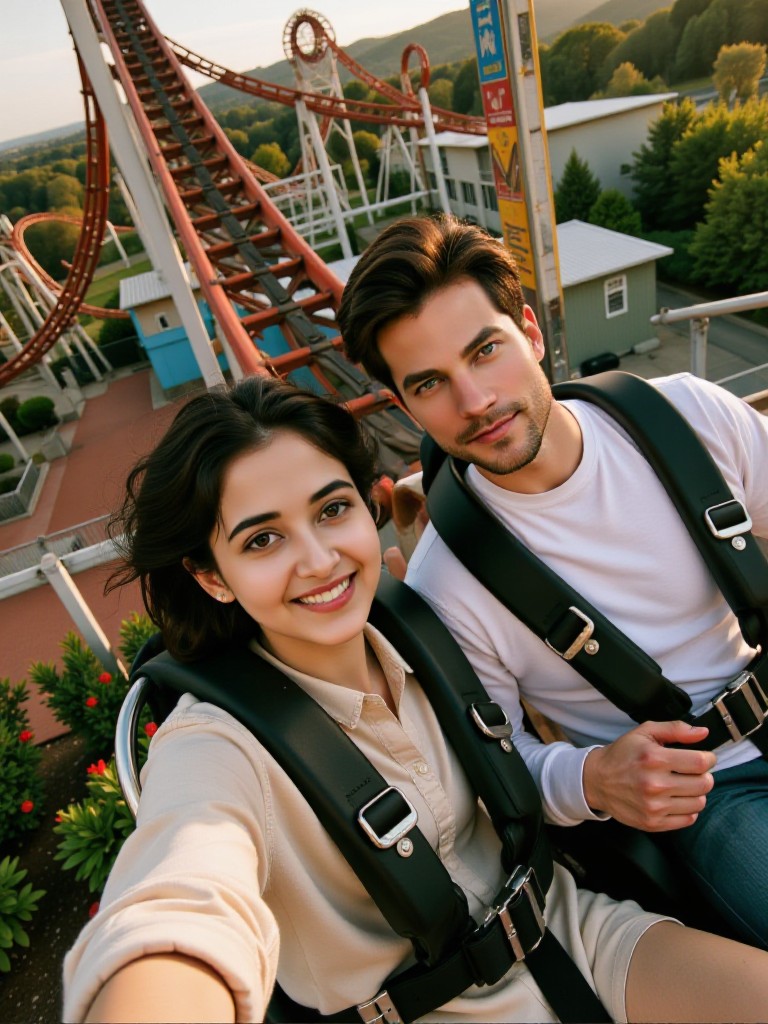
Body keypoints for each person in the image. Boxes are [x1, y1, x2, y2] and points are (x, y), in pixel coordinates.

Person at [61, 375, 768, 1023]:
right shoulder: (215, 745)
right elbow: (179, 898)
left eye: (333, 510)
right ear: (212, 577)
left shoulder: (427, 633)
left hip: (575, 934)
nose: (319, 559)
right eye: (264, 538)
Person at [337, 213, 768, 951]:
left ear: (530, 333)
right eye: (431, 383)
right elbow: (499, 773)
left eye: (485, 351)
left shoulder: (687, 416)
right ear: (405, 407)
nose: (474, 401)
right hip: (709, 791)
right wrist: (596, 778)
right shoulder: (451, 582)